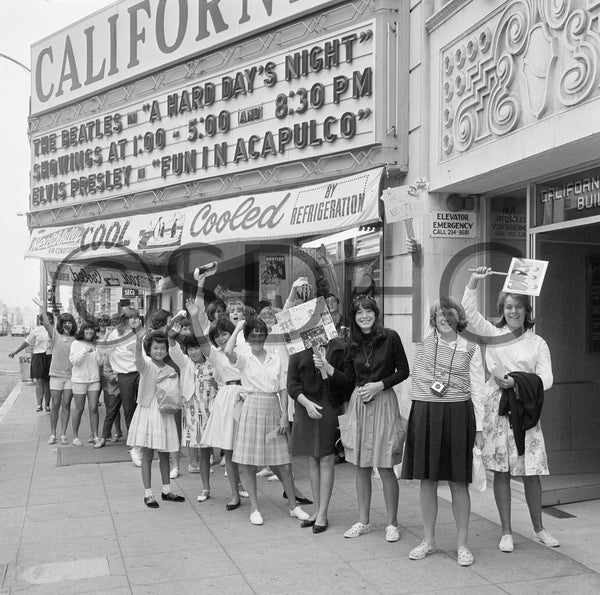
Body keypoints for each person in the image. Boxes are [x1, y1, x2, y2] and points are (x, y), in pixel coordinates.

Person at [463, 267, 558, 551]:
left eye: (518, 307)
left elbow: (548, 378)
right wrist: (473, 282)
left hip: (526, 411)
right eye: (508, 307)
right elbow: (468, 313)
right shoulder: (493, 334)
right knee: (501, 471)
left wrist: (517, 382)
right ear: (502, 310)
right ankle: (506, 532)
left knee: (531, 471)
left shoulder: (537, 342)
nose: (513, 311)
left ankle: (539, 529)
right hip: (497, 411)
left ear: (526, 311)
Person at [401, 298, 485, 566]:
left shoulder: (471, 348)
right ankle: (428, 540)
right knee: (427, 480)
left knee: (459, 482)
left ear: (458, 318)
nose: (444, 319)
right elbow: (427, 299)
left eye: (450, 315)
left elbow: (479, 390)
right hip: (425, 413)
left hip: (458, 414)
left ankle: (462, 544)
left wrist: (480, 429)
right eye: (439, 315)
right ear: (432, 319)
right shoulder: (426, 342)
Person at [225, 318, 310, 526]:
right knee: (247, 462)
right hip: (251, 408)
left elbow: (282, 387)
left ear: (265, 336)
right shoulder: (244, 358)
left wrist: (284, 415)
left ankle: (293, 506)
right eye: (253, 335)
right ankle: (254, 508)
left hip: (273, 408)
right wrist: (237, 328)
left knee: (282, 461)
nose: (257, 339)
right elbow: (228, 351)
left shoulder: (275, 358)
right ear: (247, 337)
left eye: (260, 334)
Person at [341, 295, 410, 542]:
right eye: (359, 312)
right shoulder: (351, 343)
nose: (364, 316)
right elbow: (348, 379)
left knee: (385, 464)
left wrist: (380, 385)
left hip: (383, 401)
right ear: (354, 317)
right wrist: (327, 370)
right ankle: (363, 521)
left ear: (376, 313)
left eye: (368, 311)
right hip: (360, 402)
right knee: (361, 465)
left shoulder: (390, 337)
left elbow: (404, 370)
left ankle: (392, 523)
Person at [187, 298, 248, 511]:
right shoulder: (215, 355)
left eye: (225, 333)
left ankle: (288, 490)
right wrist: (195, 316)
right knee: (230, 449)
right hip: (228, 398)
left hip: (249, 395)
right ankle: (234, 493)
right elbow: (201, 338)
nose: (221, 338)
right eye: (218, 335)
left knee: (253, 446)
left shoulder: (246, 348)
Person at [287, 338, 352, 533]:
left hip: (328, 405)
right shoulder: (297, 349)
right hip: (305, 406)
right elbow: (291, 384)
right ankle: (316, 510)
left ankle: (323, 513)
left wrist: (326, 368)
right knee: (311, 459)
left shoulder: (339, 347)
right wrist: (306, 403)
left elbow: (347, 383)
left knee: (326, 457)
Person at [127, 329, 185, 508]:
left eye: (162, 348)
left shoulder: (170, 369)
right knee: (147, 454)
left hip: (164, 412)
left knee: (165, 453)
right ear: (149, 350)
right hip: (148, 410)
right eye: (155, 348)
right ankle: (148, 493)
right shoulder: (146, 365)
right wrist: (138, 340)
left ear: (167, 350)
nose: (159, 351)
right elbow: (137, 358)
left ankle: (166, 490)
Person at [167, 322, 216, 502]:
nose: (193, 352)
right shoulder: (185, 363)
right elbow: (172, 345)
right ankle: (205, 488)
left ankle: (239, 486)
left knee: (228, 450)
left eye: (196, 348)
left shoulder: (213, 361)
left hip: (213, 410)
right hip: (193, 411)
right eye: (190, 349)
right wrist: (174, 330)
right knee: (203, 452)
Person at [33, 299, 77, 445]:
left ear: (73, 324)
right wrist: (42, 308)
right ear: (61, 324)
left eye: (70, 321)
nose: (67, 324)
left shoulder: (76, 339)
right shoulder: (55, 335)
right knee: (55, 404)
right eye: (65, 322)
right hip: (56, 376)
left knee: (66, 404)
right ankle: (53, 434)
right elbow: (46, 324)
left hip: (71, 377)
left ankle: (63, 434)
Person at [104, 307, 143, 466]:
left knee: (142, 406)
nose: (135, 320)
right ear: (125, 319)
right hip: (124, 375)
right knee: (128, 408)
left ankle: (142, 440)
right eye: (132, 318)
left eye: (137, 317)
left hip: (140, 372)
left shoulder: (138, 332)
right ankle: (133, 441)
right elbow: (104, 351)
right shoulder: (115, 334)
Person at [9, 312, 53, 412]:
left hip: (50, 357)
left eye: (49, 318)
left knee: (47, 382)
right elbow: (27, 342)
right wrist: (15, 352)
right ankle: (39, 404)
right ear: (41, 321)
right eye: (46, 319)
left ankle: (47, 405)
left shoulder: (54, 330)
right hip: (38, 357)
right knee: (39, 380)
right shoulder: (36, 330)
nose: (48, 320)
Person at [69, 321, 103, 447]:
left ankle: (95, 435)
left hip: (94, 380)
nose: (89, 331)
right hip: (79, 380)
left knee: (94, 408)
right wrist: (84, 351)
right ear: (82, 331)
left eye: (91, 329)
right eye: (87, 329)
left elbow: (99, 363)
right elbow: (74, 361)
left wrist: (99, 353)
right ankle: (75, 436)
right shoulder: (75, 344)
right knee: (79, 409)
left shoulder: (96, 344)